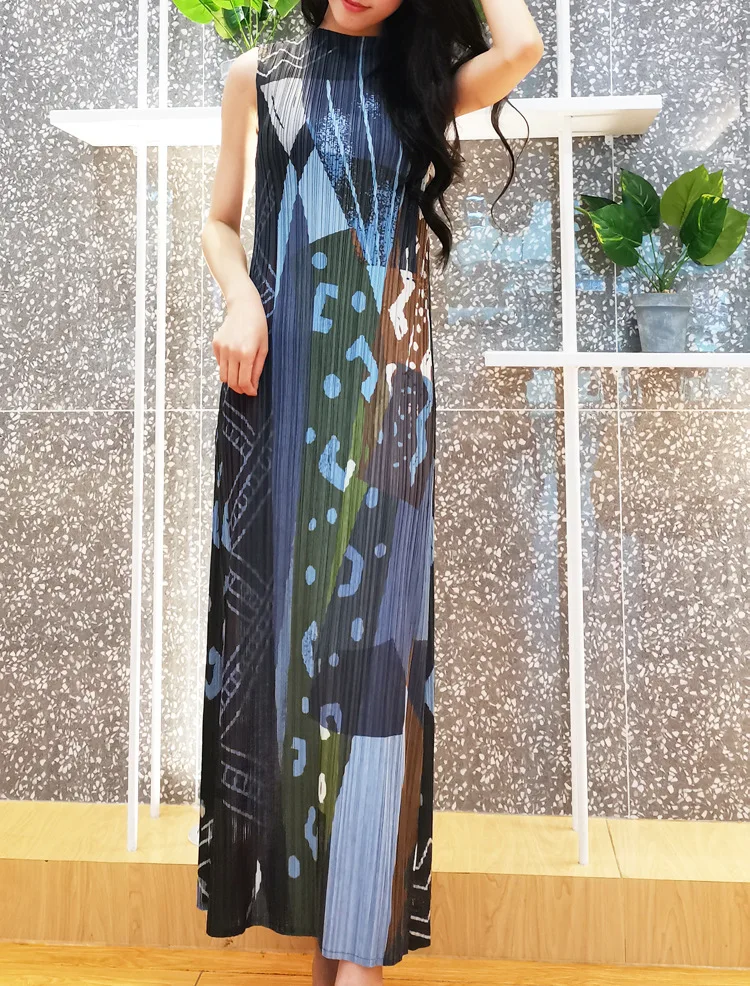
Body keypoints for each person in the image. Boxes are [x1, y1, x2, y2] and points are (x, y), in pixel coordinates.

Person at [196, 1, 543, 984]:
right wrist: (240, 298)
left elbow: (521, 45)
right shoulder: (259, 75)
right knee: (286, 654)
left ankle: (361, 947)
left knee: (378, 661)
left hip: (392, 401)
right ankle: (334, 932)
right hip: (277, 386)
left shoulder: (420, 85)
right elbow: (219, 221)